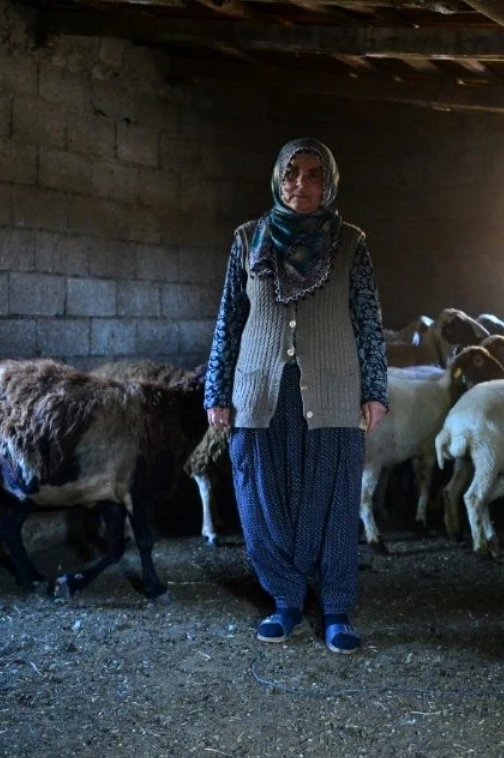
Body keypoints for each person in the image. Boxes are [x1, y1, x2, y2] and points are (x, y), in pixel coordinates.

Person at [204, 138, 388, 655]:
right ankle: (284, 601)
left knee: (331, 496)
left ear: (328, 183)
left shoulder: (349, 242)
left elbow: (368, 321)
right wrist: (217, 389)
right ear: (277, 179)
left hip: (332, 388)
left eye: (312, 175)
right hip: (259, 390)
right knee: (264, 496)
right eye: (291, 174)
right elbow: (229, 321)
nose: (300, 185)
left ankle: (334, 607)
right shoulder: (247, 240)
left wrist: (375, 388)